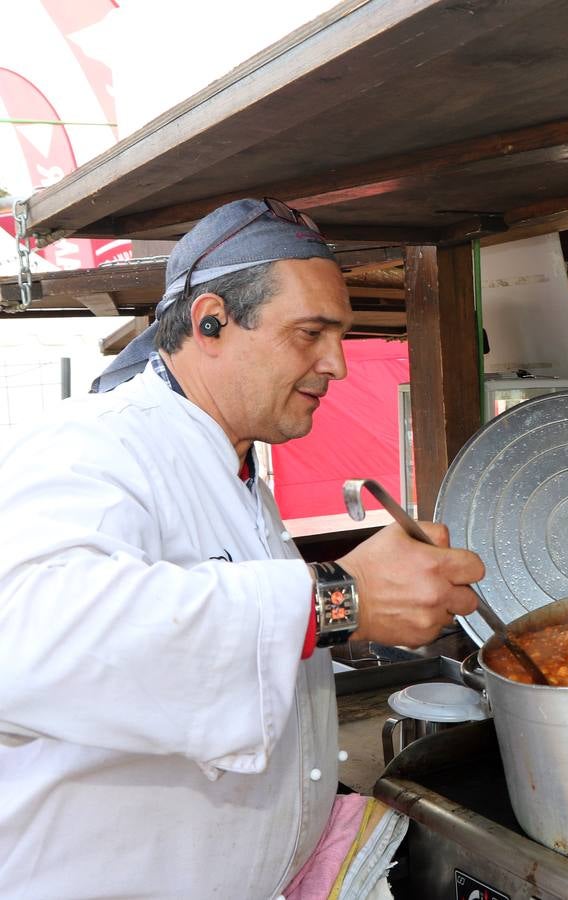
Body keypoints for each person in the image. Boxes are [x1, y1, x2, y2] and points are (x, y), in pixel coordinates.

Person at [0, 199, 485, 897]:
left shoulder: (232, 470)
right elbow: (29, 635)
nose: (338, 364)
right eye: (310, 333)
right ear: (211, 322)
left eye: (339, 336)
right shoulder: (93, 445)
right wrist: (339, 602)